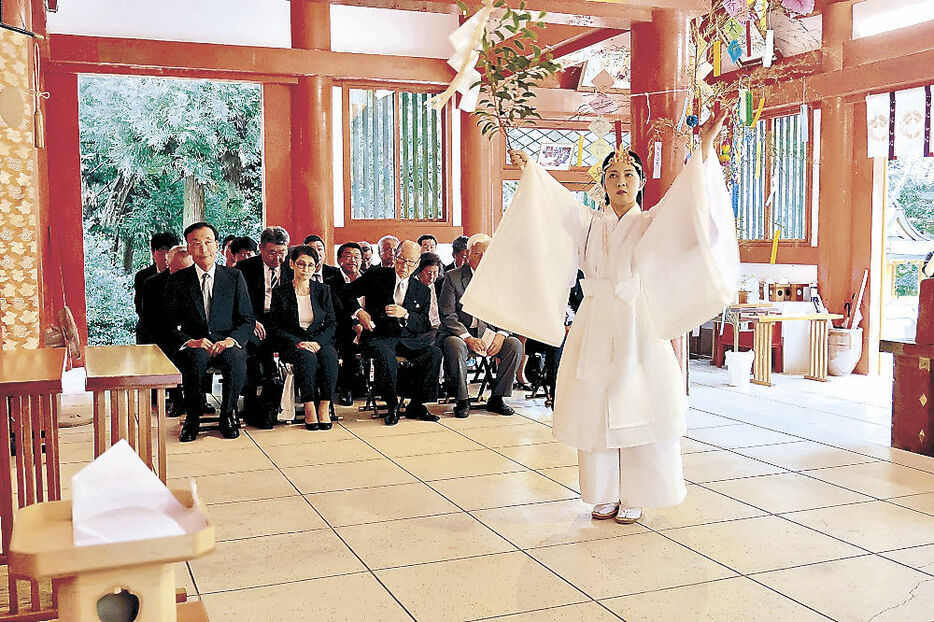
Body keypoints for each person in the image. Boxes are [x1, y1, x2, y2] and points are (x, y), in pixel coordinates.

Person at [474, 109, 738, 525]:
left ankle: (636, 493)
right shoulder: (588, 223)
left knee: (639, 402)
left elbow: (690, 207)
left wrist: (703, 146)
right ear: (602, 185)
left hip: (637, 322)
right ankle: (604, 492)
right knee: (596, 405)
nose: (620, 182)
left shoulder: (651, 221)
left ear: (640, 184)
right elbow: (550, 206)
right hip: (595, 320)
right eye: (612, 176)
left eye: (629, 175)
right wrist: (530, 171)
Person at [162, 222, 255, 442]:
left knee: (236, 358)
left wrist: (232, 340)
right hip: (196, 342)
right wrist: (189, 342)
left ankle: (228, 415)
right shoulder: (177, 280)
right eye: (196, 243)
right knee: (195, 358)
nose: (203, 248)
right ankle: (192, 417)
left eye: (208, 242)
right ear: (189, 247)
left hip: (227, 340)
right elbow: (166, 323)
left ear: (217, 245)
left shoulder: (233, 277)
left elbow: (247, 318)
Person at [342, 240, 442, 426]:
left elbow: (423, 324)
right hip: (378, 335)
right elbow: (344, 293)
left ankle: (417, 404)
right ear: (395, 256)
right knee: (385, 354)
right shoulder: (377, 276)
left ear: (417, 263)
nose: (404, 266)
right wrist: (359, 312)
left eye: (410, 262)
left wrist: (406, 314)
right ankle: (392, 405)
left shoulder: (422, 289)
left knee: (433, 353)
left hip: (407, 339)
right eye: (401, 260)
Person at [439, 234, 522, 419]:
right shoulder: (453, 277)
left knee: (514, 345)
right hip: (459, 331)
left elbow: (507, 312)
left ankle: (498, 398)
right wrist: (467, 338)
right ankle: (462, 399)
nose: (483, 258)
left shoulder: (501, 279)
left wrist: (501, 334)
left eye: (488, 254)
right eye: (478, 254)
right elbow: (448, 314)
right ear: (468, 254)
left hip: (490, 331)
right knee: (455, 345)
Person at [269, 245, 339, 431]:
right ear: (291, 264)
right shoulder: (280, 292)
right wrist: (298, 342)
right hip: (293, 342)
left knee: (330, 356)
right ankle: (309, 407)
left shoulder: (323, 290)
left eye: (310, 265)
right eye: (301, 264)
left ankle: (324, 405)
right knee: (306, 358)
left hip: (318, 340)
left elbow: (332, 323)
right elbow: (276, 327)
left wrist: (318, 342)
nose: (306, 269)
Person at [235, 226, 290, 427]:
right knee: (253, 346)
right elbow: (237, 303)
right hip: (255, 320)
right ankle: (251, 400)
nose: (277, 259)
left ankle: (273, 399)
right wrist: (251, 321)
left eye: (282, 253)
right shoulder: (244, 269)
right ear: (261, 248)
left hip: (283, 322)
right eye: (272, 253)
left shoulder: (292, 267)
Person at [326, 242, 366, 406]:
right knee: (347, 343)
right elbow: (338, 309)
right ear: (339, 259)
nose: (353, 260)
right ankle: (345, 389)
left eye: (357, 256)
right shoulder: (331, 283)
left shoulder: (369, 280)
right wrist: (355, 323)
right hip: (342, 327)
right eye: (348, 256)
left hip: (368, 326)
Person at [134, 231, 180, 343]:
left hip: (174, 327)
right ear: (153, 252)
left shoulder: (180, 274)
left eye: (169, 253)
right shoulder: (143, 276)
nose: (165, 258)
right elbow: (140, 306)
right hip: (149, 325)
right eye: (161, 253)